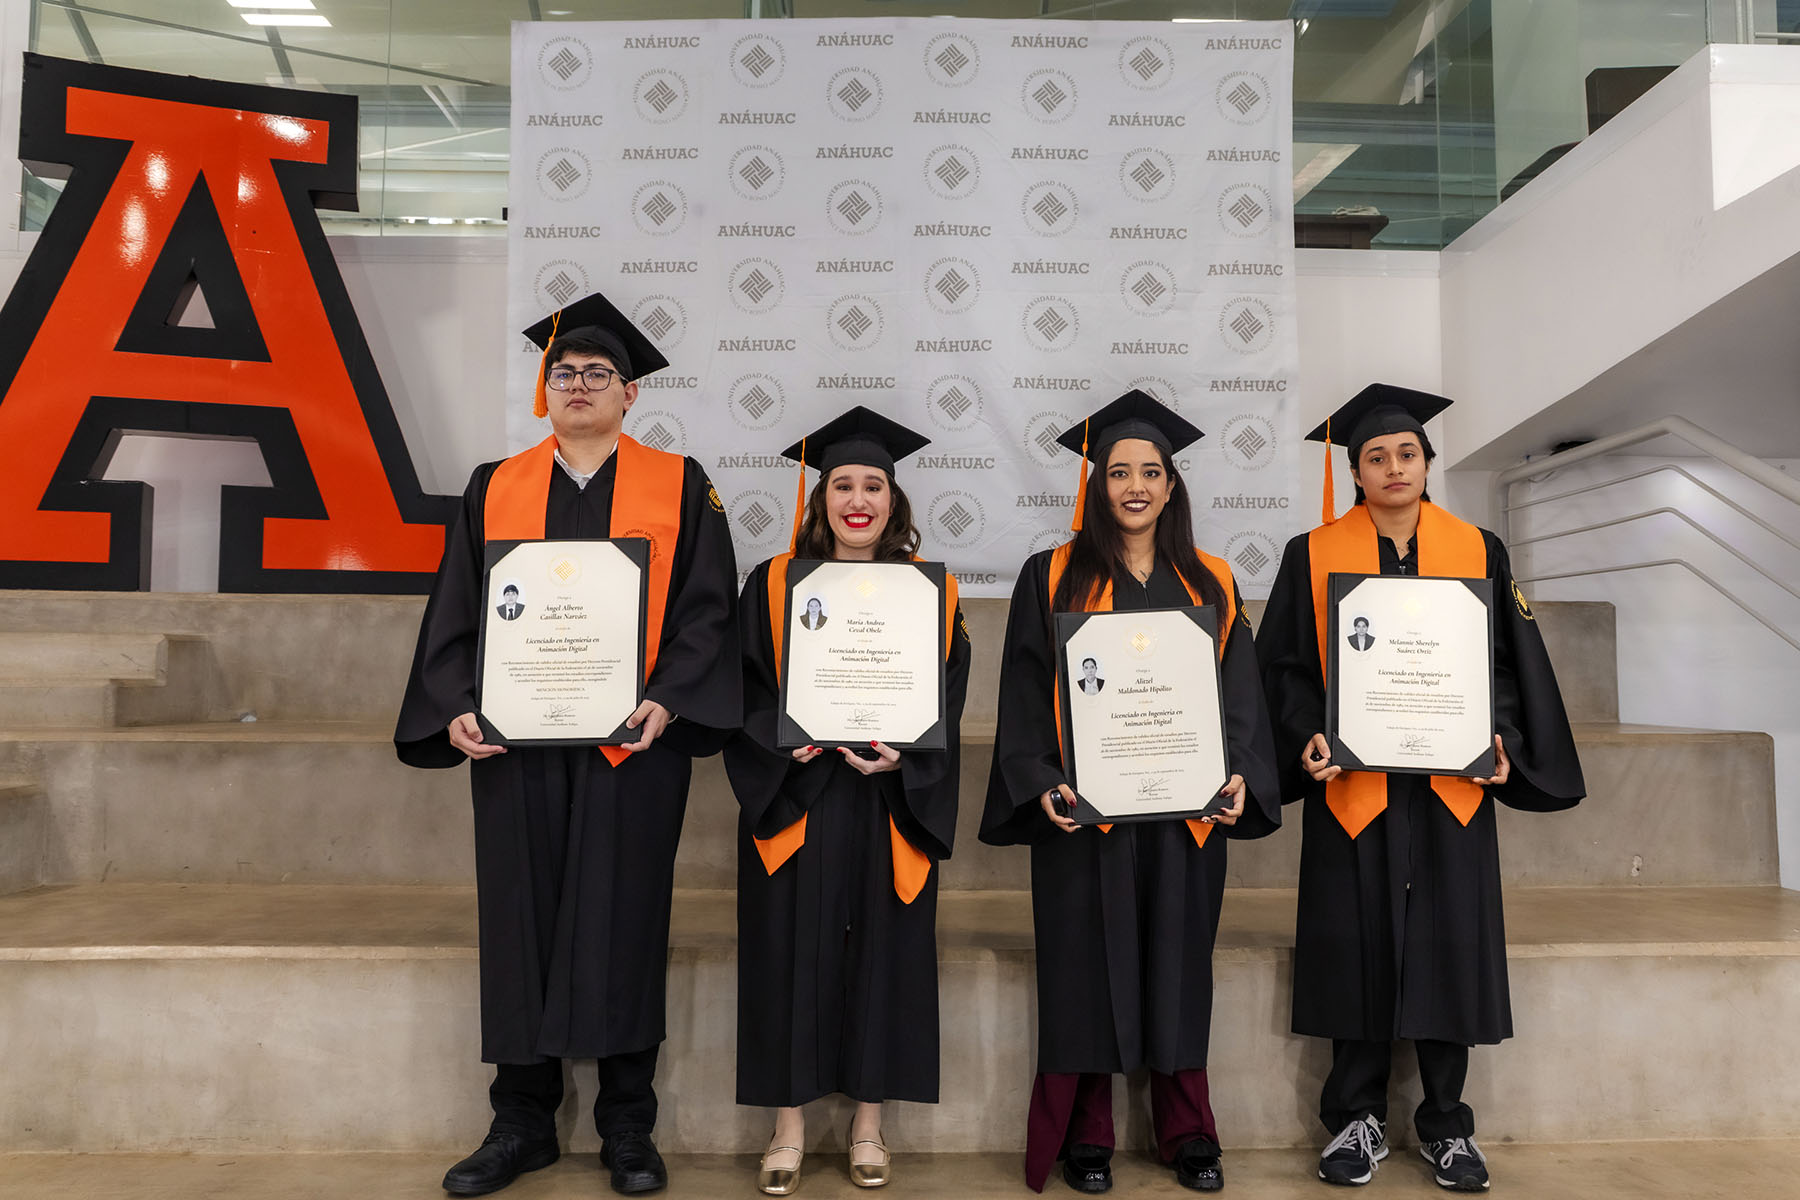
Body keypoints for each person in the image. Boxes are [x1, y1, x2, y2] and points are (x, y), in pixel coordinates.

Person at [393, 290, 741, 1197]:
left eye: (597, 374)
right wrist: (456, 702)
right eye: (564, 373)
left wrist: (670, 699)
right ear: (544, 390)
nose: (578, 384)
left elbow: (709, 612)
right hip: (520, 749)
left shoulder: (679, 483)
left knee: (627, 919)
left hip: (632, 746)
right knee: (520, 919)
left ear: (631, 395)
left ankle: (629, 1123)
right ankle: (522, 1120)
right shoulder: (494, 485)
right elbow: (458, 611)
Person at [1256, 383, 1585, 1193]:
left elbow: (1506, 669)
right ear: (1355, 473)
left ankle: (1445, 1125)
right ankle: (1355, 1121)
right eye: (1376, 457)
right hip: (1354, 789)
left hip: (1450, 787)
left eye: (1407, 453)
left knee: (1448, 944)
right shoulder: (1312, 553)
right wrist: (1306, 742)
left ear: (1429, 464)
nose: (1393, 467)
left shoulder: (1479, 550)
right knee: (1353, 943)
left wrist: (1502, 742)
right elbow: (1288, 672)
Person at [979, 390, 1281, 1194]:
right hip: (1088, 817)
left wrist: (1242, 772)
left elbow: (1241, 695)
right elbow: (1023, 689)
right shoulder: (1051, 575)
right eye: (1118, 472)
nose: (1135, 485)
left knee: (1181, 965)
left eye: (1151, 471)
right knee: (1085, 968)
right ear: (1097, 485)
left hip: (1187, 816)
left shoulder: (1212, 579)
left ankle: (1188, 1128)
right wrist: (1040, 780)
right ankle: (1089, 1131)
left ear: (1173, 484)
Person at [725, 407, 971, 1195]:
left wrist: (911, 751)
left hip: (887, 796)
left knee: (887, 954)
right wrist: (781, 739)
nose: (857, 500)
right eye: (842, 485)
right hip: (798, 793)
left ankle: (869, 1125)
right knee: (785, 952)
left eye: (873, 485)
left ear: (894, 501)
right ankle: (788, 1127)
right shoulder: (769, 584)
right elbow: (743, 692)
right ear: (819, 497)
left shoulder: (935, 589)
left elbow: (948, 698)